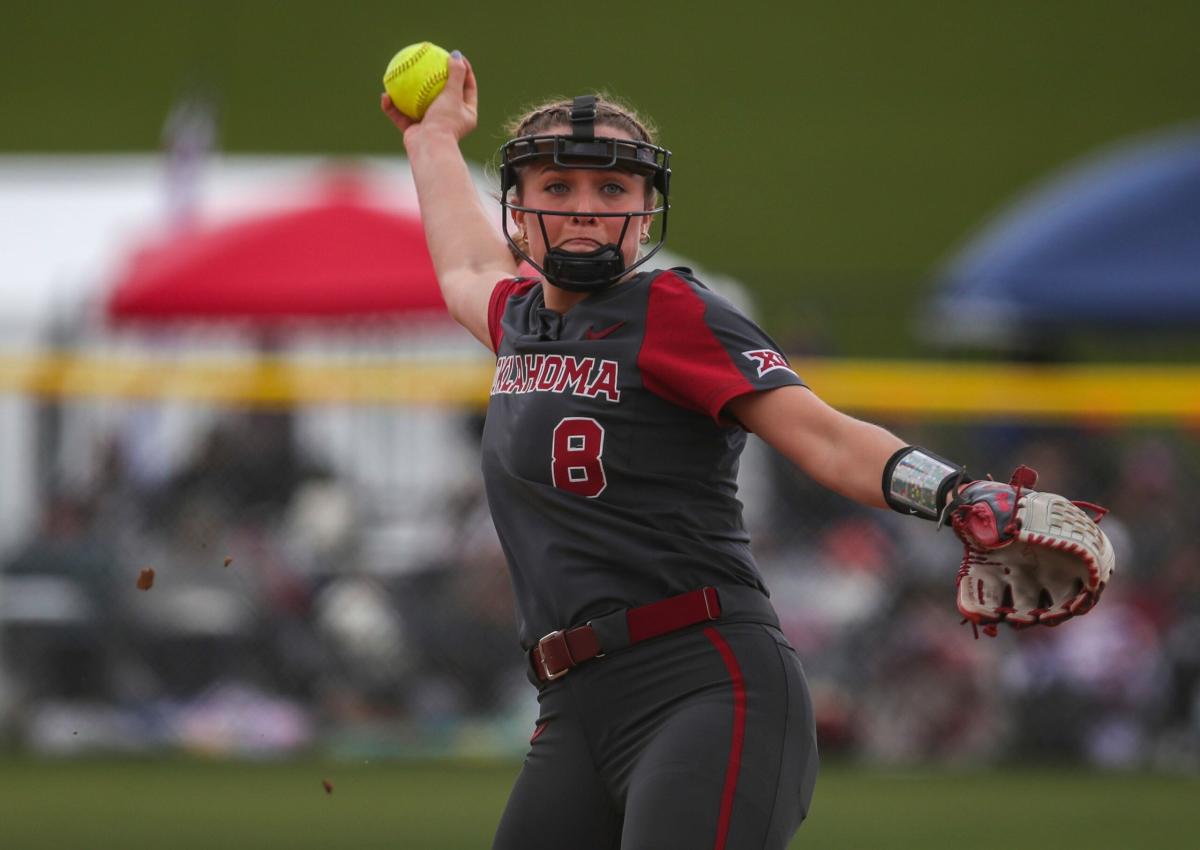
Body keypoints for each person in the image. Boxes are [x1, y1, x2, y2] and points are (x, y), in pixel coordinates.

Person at [380, 54, 978, 850]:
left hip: (706, 685)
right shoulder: (521, 318)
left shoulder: (670, 309)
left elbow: (824, 435)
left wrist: (960, 496)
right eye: (557, 188)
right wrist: (434, 137)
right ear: (516, 212)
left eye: (612, 189)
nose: (586, 208)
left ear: (646, 208)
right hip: (572, 705)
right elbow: (461, 263)